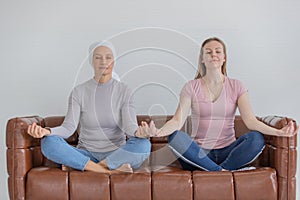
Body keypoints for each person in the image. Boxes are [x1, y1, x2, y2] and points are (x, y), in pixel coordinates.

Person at [144, 37, 299, 171]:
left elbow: (251, 121)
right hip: (200, 155)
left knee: (256, 138)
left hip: (229, 152)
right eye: (208, 52)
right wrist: (159, 132)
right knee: (176, 137)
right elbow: (177, 121)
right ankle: (220, 172)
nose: (214, 55)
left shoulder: (237, 86)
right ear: (202, 59)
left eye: (218, 51)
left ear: (224, 57)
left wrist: (278, 132)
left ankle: (215, 170)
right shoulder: (191, 87)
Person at [27, 41, 151, 174]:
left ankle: (88, 167)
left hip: (117, 154)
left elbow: (129, 127)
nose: (103, 61)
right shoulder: (79, 91)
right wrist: (48, 132)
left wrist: (140, 133)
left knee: (143, 145)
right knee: (48, 142)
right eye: (98, 57)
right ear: (92, 61)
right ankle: (109, 171)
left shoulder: (124, 90)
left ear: (114, 61)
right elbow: (68, 128)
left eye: (108, 57)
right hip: (85, 155)